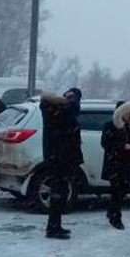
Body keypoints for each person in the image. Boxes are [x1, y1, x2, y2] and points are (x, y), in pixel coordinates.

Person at [40, 92, 83, 239]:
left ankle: (55, 226)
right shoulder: (57, 114)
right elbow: (72, 107)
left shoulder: (57, 113)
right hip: (59, 159)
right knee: (58, 194)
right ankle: (53, 228)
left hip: (60, 158)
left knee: (60, 193)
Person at [101, 101, 130, 230]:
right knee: (116, 190)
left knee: (124, 188)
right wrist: (121, 146)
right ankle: (116, 217)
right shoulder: (110, 126)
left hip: (127, 163)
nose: (128, 115)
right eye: (126, 112)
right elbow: (105, 143)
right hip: (114, 162)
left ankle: (111, 211)